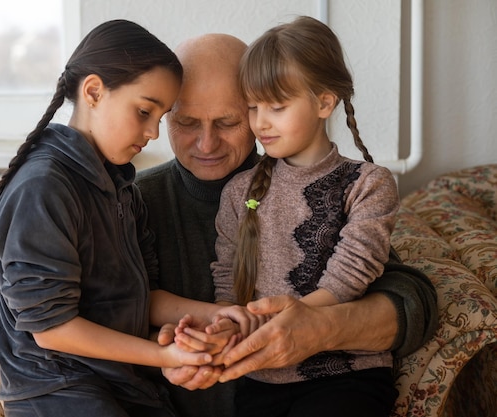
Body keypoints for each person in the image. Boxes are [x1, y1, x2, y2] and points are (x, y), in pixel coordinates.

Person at [135, 32, 438, 417]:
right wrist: (163, 346)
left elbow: (409, 297)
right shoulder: (137, 199)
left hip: (336, 386)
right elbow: (105, 308)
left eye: (228, 121)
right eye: (187, 122)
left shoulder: (338, 183)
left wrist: (316, 326)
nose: (206, 144)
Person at [0, 19, 258, 417]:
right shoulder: (44, 186)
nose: (154, 132)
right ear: (93, 92)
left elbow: (139, 299)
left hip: (120, 383)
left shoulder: (120, 186)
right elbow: (52, 329)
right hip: (59, 391)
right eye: (144, 111)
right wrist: (163, 355)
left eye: (161, 116)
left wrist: (216, 314)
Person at [208, 16, 399, 417]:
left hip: (347, 375)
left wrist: (288, 326)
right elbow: (227, 281)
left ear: (324, 102)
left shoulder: (369, 184)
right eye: (253, 106)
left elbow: (350, 274)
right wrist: (225, 325)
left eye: (277, 106)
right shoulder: (238, 193)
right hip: (260, 377)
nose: (260, 122)